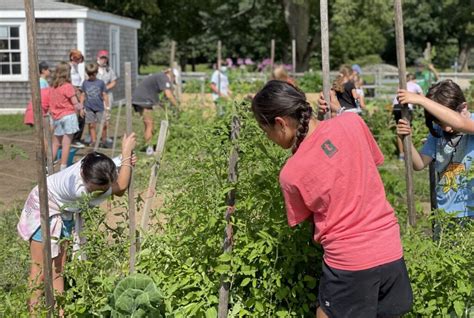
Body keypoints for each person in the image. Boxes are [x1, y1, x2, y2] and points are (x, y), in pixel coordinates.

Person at [251, 80, 413, 318]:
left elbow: (307, 222)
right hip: (390, 247)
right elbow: (370, 167)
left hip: (349, 261)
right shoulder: (353, 122)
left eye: (267, 132)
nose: (269, 139)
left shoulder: (291, 173)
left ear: (281, 123)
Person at [17, 133, 137, 315]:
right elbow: (120, 187)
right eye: (97, 189)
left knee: (58, 267)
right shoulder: (80, 190)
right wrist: (126, 153)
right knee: (40, 268)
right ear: (84, 176)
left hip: (62, 211)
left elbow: (107, 170)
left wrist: (121, 160)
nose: (101, 191)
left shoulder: (89, 164)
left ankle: (60, 312)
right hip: (42, 207)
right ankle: (32, 313)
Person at [396, 79, 474, 219]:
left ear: (463, 108)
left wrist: (422, 100)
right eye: (439, 122)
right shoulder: (438, 132)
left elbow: (460, 123)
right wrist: (406, 138)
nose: (446, 128)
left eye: (447, 122)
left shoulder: (470, 124)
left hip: (470, 210)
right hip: (444, 211)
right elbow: (419, 164)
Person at [132, 69, 178, 155]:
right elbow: (168, 94)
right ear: (172, 75)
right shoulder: (163, 77)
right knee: (150, 124)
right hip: (144, 99)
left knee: (147, 124)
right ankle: (149, 149)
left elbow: (161, 100)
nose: (172, 81)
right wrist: (178, 107)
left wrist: (165, 109)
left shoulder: (159, 76)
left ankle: (148, 146)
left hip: (140, 98)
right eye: (173, 79)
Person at [49, 62, 84, 171]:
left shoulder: (53, 87)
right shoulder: (68, 87)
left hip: (57, 117)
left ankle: (48, 165)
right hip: (68, 117)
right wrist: (81, 107)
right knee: (66, 144)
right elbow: (75, 103)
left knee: (55, 144)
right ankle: (63, 168)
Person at [393, 73, 423, 161]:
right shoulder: (416, 85)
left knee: (400, 130)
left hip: (396, 107)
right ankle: (409, 154)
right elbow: (423, 99)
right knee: (408, 129)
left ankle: (401, 154)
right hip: (406, 108)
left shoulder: (401, 85)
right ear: (414, 79)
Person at [80, 63, 108, 147]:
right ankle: (94, 141)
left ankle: (103, 141)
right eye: (89, 74)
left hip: (100, 107)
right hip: (89, 107)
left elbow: (104, 95)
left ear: (96, 73)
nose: (91, 76)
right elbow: (83, 95)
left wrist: (107, 107)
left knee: (104, 124)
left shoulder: (101, 83)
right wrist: (81, 107)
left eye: (92, 74)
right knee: (91, 125)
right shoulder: (85, 83)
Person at [96, 50, 118, 146]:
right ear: (98, 58)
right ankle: (93, 137)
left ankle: (105, 137)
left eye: (105, 58)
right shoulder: (94, 69)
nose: (103, 60)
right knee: (94, 116)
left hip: (107, 96)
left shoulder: (109, 69)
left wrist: (105, 87)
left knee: (106, 117)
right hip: (95, 96)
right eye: (102, 58)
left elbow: (114, 81)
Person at [69, 49, 86, 149]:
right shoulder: (69, 67)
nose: (79, 60)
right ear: (72, 57)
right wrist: (77, 91)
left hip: (79, 93)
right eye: (77, 58)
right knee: (76, 116)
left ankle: (76, 138)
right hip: (73, 94)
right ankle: (73, 139)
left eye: (80, 58)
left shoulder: (76, 67)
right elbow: (69, 82)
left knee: (81, 115)